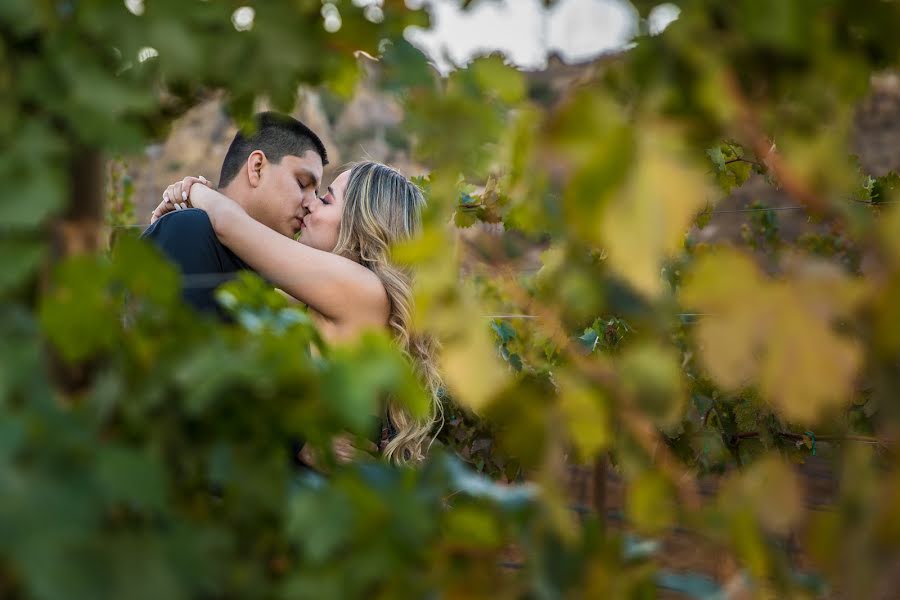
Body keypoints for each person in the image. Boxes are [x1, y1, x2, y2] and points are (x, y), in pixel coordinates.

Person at [150, 161, 442, 464]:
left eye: (327, 200)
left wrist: (193, 190)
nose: (311, 205)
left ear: (362, 226)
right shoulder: (317, 299)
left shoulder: (365, 291)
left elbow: (228, 225)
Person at [142, 111, 327, 318]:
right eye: (302, 184)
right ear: (257, 168)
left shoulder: (268, 275)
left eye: (317, 193)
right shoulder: (189, 230)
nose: (312, 204)